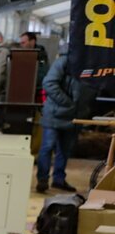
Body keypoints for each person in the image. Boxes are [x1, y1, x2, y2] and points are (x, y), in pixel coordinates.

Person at [36, 56, 80, 194]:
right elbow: (49, 83)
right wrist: (68, 102)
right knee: (47, 147)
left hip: (72, 115)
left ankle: (59, 180)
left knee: (64, 150)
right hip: (54, 114)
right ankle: (42, 180)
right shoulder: (64, 61)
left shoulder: (87, 63)